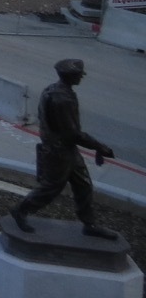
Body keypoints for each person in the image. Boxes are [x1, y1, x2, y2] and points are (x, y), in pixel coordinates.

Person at [11, 58, 117, 238]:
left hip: (67, 150)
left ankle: (89, 224)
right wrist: (100, 147)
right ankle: (20, 211)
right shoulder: (62, 99)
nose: (81, 78)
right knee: (51, 188)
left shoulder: (55, 90)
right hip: (59, 152)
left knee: (83, 185)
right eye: (78, 75)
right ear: (71, 76)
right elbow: (73, 134)